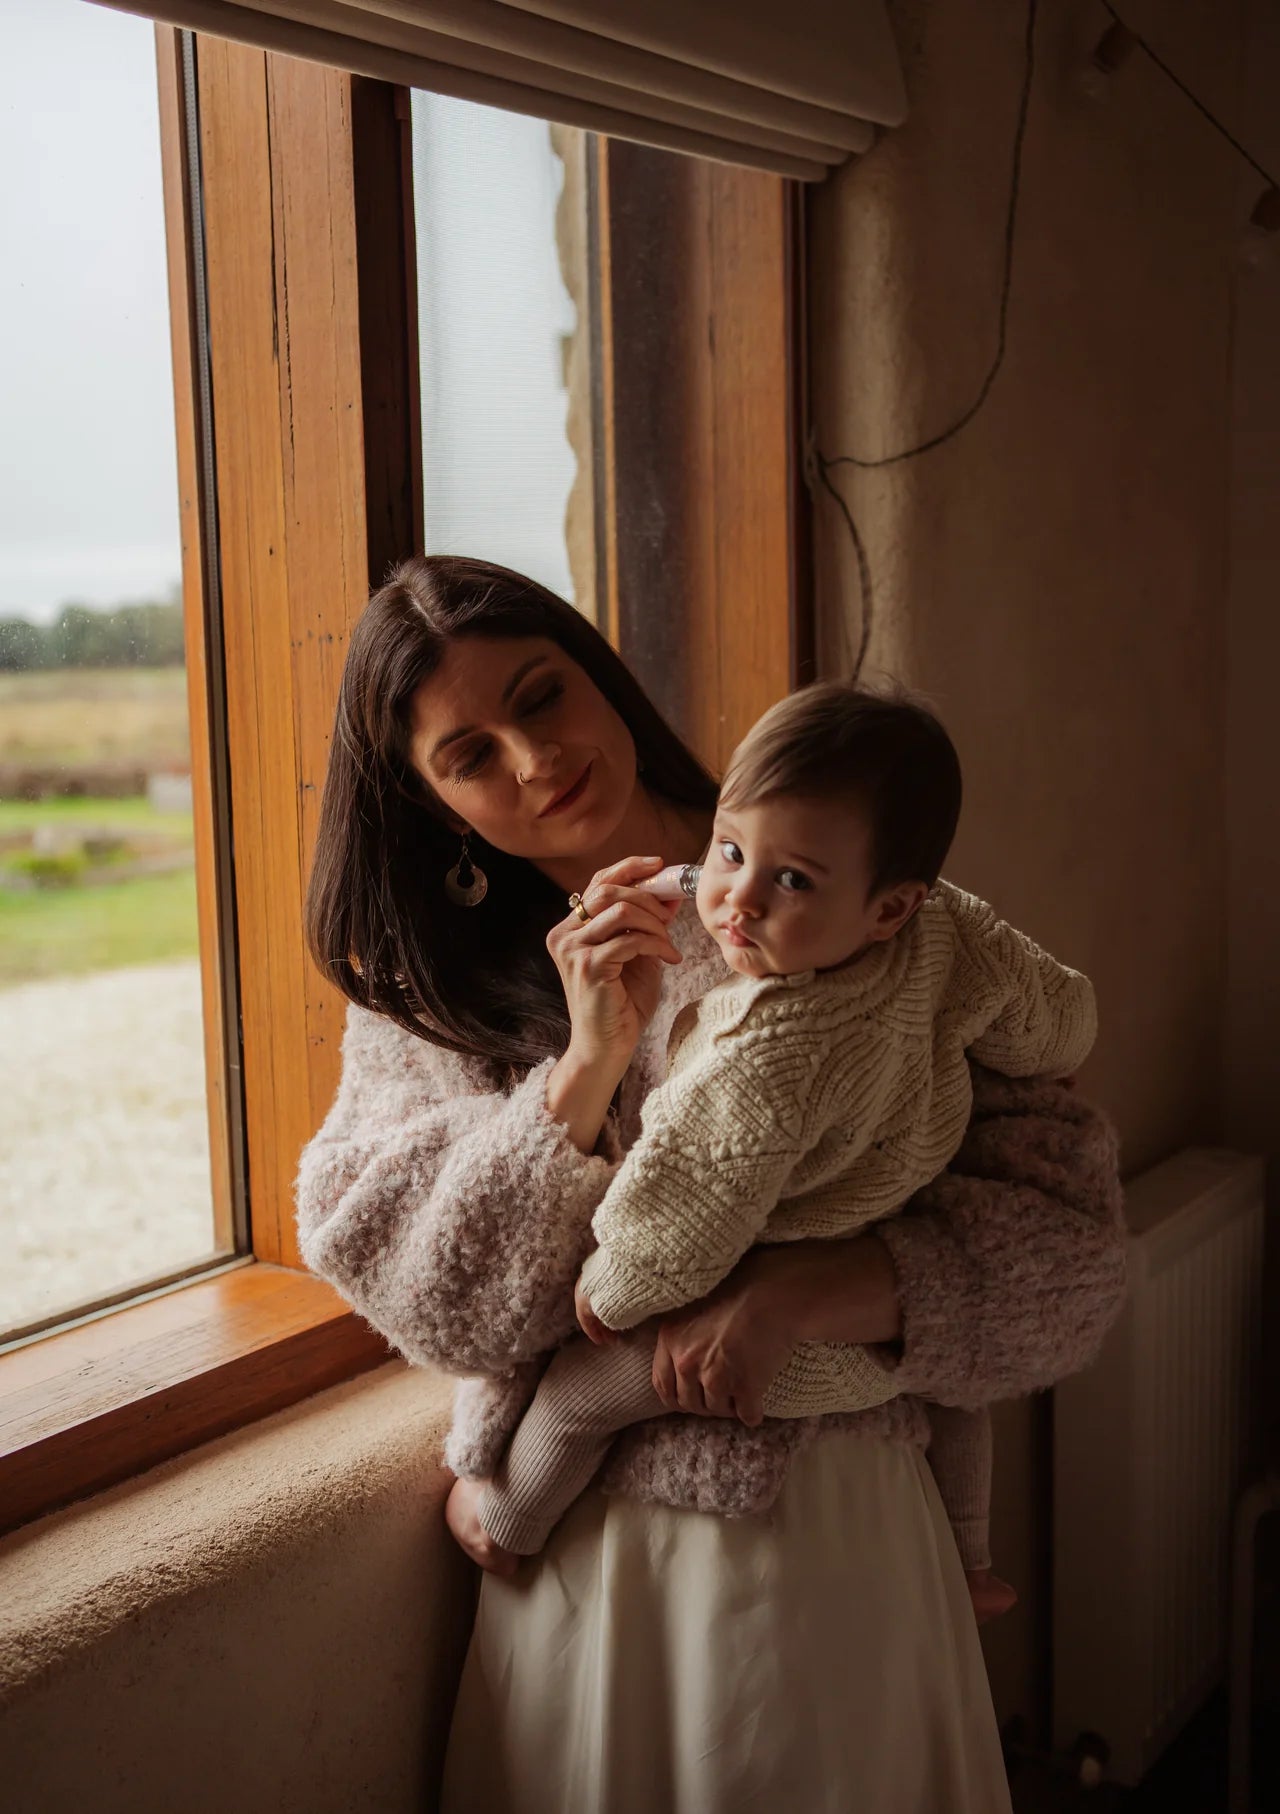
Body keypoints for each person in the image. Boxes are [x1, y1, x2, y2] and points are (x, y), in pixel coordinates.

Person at [296, 555, 1125, 1814]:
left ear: (603, 681)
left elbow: (1072, 1251)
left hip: (844, 1538)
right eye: (469, 754)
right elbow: (441, 1307)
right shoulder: (436, 1004)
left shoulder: (858, 905)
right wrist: (584, 1067)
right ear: (434, 806)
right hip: (593, 1573)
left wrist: (822, 1289)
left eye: (543, 697)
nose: (531, 759)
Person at [447, 683, 1095, 1633]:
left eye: (791, 882)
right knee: (954, 1386)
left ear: (887, 908)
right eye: (730, 851)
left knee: (581, 1398)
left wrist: (615, 1287)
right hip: (881, 1259)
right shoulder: (949, 929)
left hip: (768, 1351)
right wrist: (1057, 1047)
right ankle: (969, 1556)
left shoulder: (772, 1050)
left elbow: (693, 1191)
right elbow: (1059, 1017)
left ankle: (504, 1519)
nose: (737, 903)